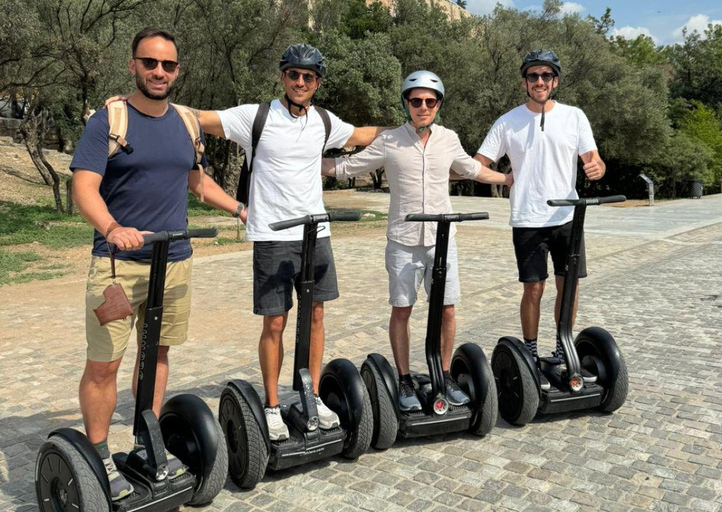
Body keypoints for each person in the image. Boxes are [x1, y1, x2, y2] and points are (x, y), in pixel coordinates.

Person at [160, 43, 389, 441]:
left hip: (315, 234)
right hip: (272, 235)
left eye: (308, 76)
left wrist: (411, 127)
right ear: (283, 77)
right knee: (276, 322)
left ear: (318, 82)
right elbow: (198, 117)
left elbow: (362, 134)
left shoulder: (323, 121)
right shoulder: (256, 116)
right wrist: (131, 105)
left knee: (316, 316)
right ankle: (270, 405)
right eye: (293, 74)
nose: (300, 82)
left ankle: (310, 395)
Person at [71, 27, 246, 501]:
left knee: (157, 355)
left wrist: (238, 208)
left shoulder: (186, 123)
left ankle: (144, 442)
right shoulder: (109, 120)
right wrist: (112, 227)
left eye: (167, 65)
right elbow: (83, 186)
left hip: (174, 262)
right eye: (149, 62)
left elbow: (196, 181)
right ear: (133, 65)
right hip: (117, 266)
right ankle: (99, 455)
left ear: (177, 71)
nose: (158, 71)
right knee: (104, 364)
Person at [323, 71, 513, 411]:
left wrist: (507, 178)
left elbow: (472, 169)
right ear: (406, 104)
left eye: (430, 101)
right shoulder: (390, 141)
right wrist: (300, 158)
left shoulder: (448, 139)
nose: (423, 107)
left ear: (438, 105)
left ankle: (444, 374)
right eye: (416, 101)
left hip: (442, 240)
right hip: (403, 240)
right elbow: (347, 168)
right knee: (402, 309)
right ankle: (405, 379)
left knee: (447, 309)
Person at [474, 49, 606, 364]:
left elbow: (594, 159)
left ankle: (562, 348)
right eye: (533, 75)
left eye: (546, 75)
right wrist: (504, 178)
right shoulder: (508, 122)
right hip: (527, 218)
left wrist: (598, 168)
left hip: (567, 216)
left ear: (555, 81)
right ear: (524, 82)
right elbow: (477, 164)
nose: (539, 81)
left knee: (569, 287)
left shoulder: (574, 116)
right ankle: (530, 352)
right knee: (533, 290)